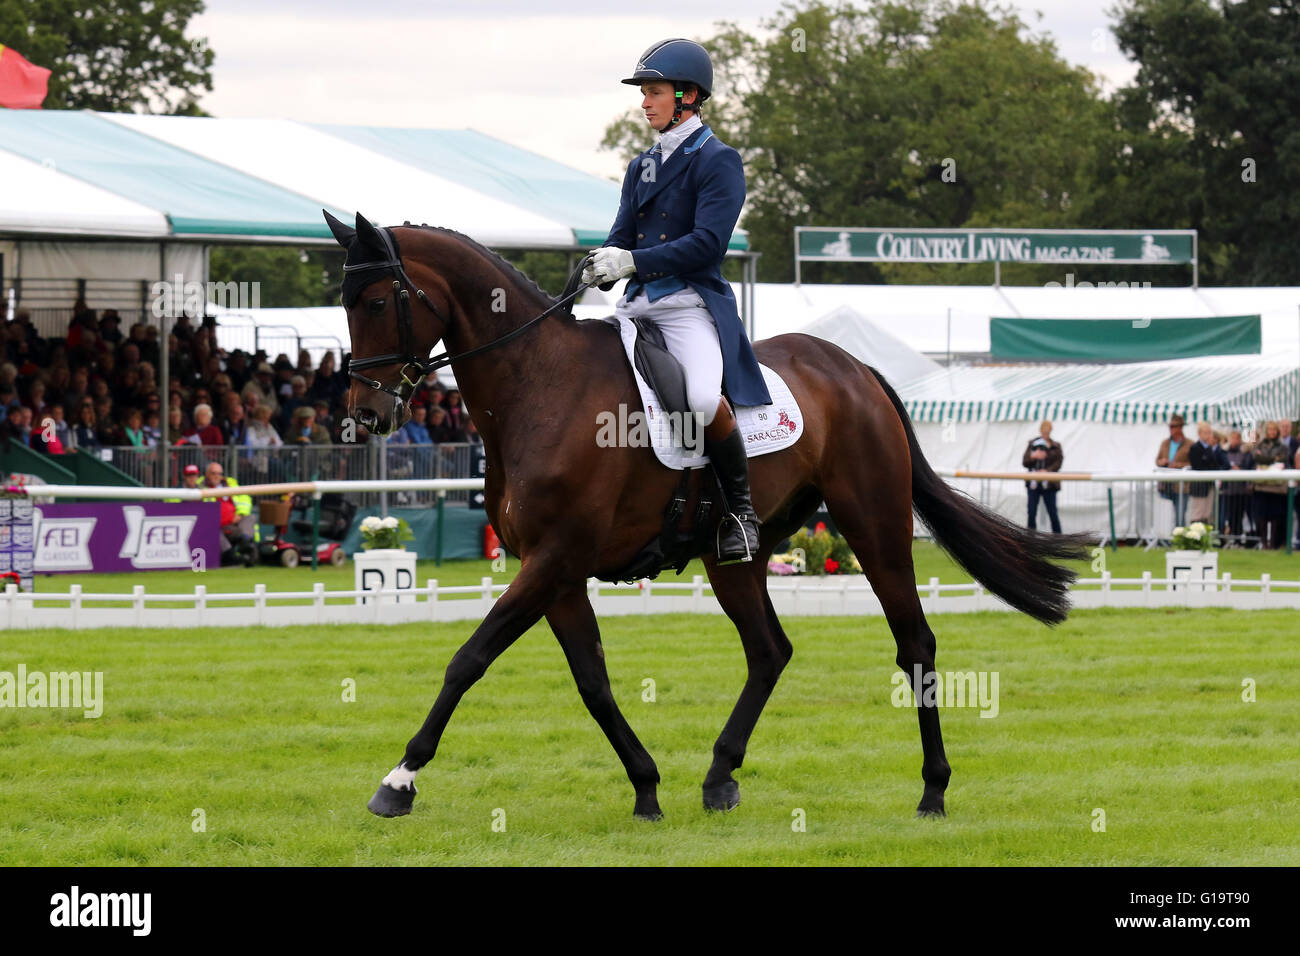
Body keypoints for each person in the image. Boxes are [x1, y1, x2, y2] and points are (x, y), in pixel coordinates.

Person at [585, 38, 771, 563]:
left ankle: (741, 511)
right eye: (644, 93)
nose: (645, 102)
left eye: (655, 92)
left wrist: (634, 263)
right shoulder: (641, 164)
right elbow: (623, 232)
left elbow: (709, 244)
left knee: (704, 403)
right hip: (636, 306)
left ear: (687, 96)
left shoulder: (717, 160)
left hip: (689, 304)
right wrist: (603, 261)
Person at [204, 461, 255, 566]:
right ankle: (229, 555)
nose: (217, 476)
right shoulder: (203, 488)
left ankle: (245, 542)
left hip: (234, 522)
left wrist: (240, 514)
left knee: (250, 517)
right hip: (218, 525)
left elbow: (245, 498)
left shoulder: (229, 484)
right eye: (213, 473)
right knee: (211, 529)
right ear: (207, 474)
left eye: (219, 473)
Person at [1251, 421, 1289, 549]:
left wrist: (1265, 461)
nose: (1272, 432)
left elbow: (1282, 458)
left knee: (1275, 515)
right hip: (1261, 486)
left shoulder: (1283, 445)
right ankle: (1264, 543)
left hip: (1276, 487)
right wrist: (1272, 460)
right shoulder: (1261, 444)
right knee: (1262, 515)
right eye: (1269, 430)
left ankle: (1272, 543)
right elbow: (1256, 457)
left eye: (1274, 430)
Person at [1022, 420, 1063, 533]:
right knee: (1031, 512)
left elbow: (1059, 462)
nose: (1046, 432)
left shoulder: (1056, 446)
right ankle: (1031, 539)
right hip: (1034, 483)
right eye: (1044, 430)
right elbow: (1025, 462)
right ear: (1041, 430)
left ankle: (1058, 539)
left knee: (1052, 513)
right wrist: (1033, 456)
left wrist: (1047, 471)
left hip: (1049, 484)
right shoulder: (1032, 444)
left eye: (1047, 430)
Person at [1187, 421, 1227, 524]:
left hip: (1209, 484)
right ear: (1199, 433)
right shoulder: (1194, 448)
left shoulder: (1209, 448)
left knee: (1207, 512)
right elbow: (1197, 466)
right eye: (1205, 432)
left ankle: (1204, 537)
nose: (1208, 435)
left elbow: (1215, 464)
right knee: (1198, 512)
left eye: (1209, 432)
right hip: (1199, 486)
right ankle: (1195, 537)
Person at [1155, 413, 1192, 528]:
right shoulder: (1165, 443)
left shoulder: (1190, 444)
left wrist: (1178, 465)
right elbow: (1157, 460)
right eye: (1170, 426)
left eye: (1173, 427)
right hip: (1165, 485)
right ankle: (1165, 540)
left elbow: (1192, 464)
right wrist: (1161, 462)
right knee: (1164, 514)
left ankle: (1179, 539)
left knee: (1180, 515)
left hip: (1181, 486)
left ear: (1180, 428)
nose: (1170, 429)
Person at [1219, 429, 1255, 544]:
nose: (1234, 440)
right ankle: (1232, 539)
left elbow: (1249, 466)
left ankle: (1239, 539)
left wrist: (1240, 469)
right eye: (1232, 438)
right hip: (1228, 489)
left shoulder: (1245, 452)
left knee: (1239, 516)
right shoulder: (1224, 451)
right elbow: (1221, 465)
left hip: (1241, 490)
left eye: (1236, 438)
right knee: (1229, 516)